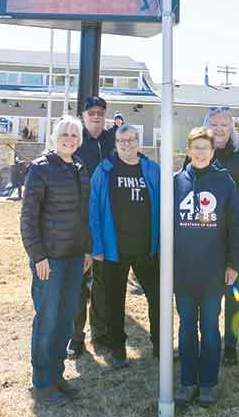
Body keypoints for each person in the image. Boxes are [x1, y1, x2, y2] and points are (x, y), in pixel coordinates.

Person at [20, 116, 92, 406]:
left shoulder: (79, 169)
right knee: (47, 322)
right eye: (64, 133)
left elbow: (84, 216)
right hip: (49, 261)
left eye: (74, 135)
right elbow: (27, 218)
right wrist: (38, 256)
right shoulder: (40, 169)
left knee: (64, 322)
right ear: (54, 137)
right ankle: (41, 385)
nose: (69, 139)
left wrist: (87, 250)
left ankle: (56, 374)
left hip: (75, 259)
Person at [174, 127, 239, 408]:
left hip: (214, 271)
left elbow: (238, 226)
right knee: (186, 327)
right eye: (197, 147)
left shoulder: (224, 183)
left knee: (210, 327)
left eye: (207, 148)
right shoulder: (176, 182)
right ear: (188, 150)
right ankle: (188, 381)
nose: (201, 152)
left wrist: (234, 264)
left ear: (213, 152)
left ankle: (208, 383)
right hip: (183, 272)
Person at [88, 123, 160, 367]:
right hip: (113, 250)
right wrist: (96, 246)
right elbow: (94, 210)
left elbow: (164, 206)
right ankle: (117, 347)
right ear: (116, 145)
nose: (127, 145)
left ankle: (160, 345)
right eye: (122, 141)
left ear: (139, 142)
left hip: (147, 250)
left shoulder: (151, 170)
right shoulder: (105, 170)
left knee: (157, 298)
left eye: (131, 140)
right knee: (113, 301)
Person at [203, 107, 239, 366]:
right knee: (209, 289)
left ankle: (231, 344)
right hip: (205, 235)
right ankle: (208, 339)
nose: (220, 128)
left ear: (232, 127)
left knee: (233, 290)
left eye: (225, 124)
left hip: (234, 234)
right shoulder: (201, 152)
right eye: (214, 123)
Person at [68, 96, 115, 357]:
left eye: (100, 112)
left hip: (108, 221)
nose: (96, 116)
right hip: (81, 221)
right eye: (91, 112)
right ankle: (76, 337)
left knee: (103, 282)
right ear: (84, 116)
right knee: (79, 283)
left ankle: (101, 332)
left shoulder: (113, 141)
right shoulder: (76, 140)